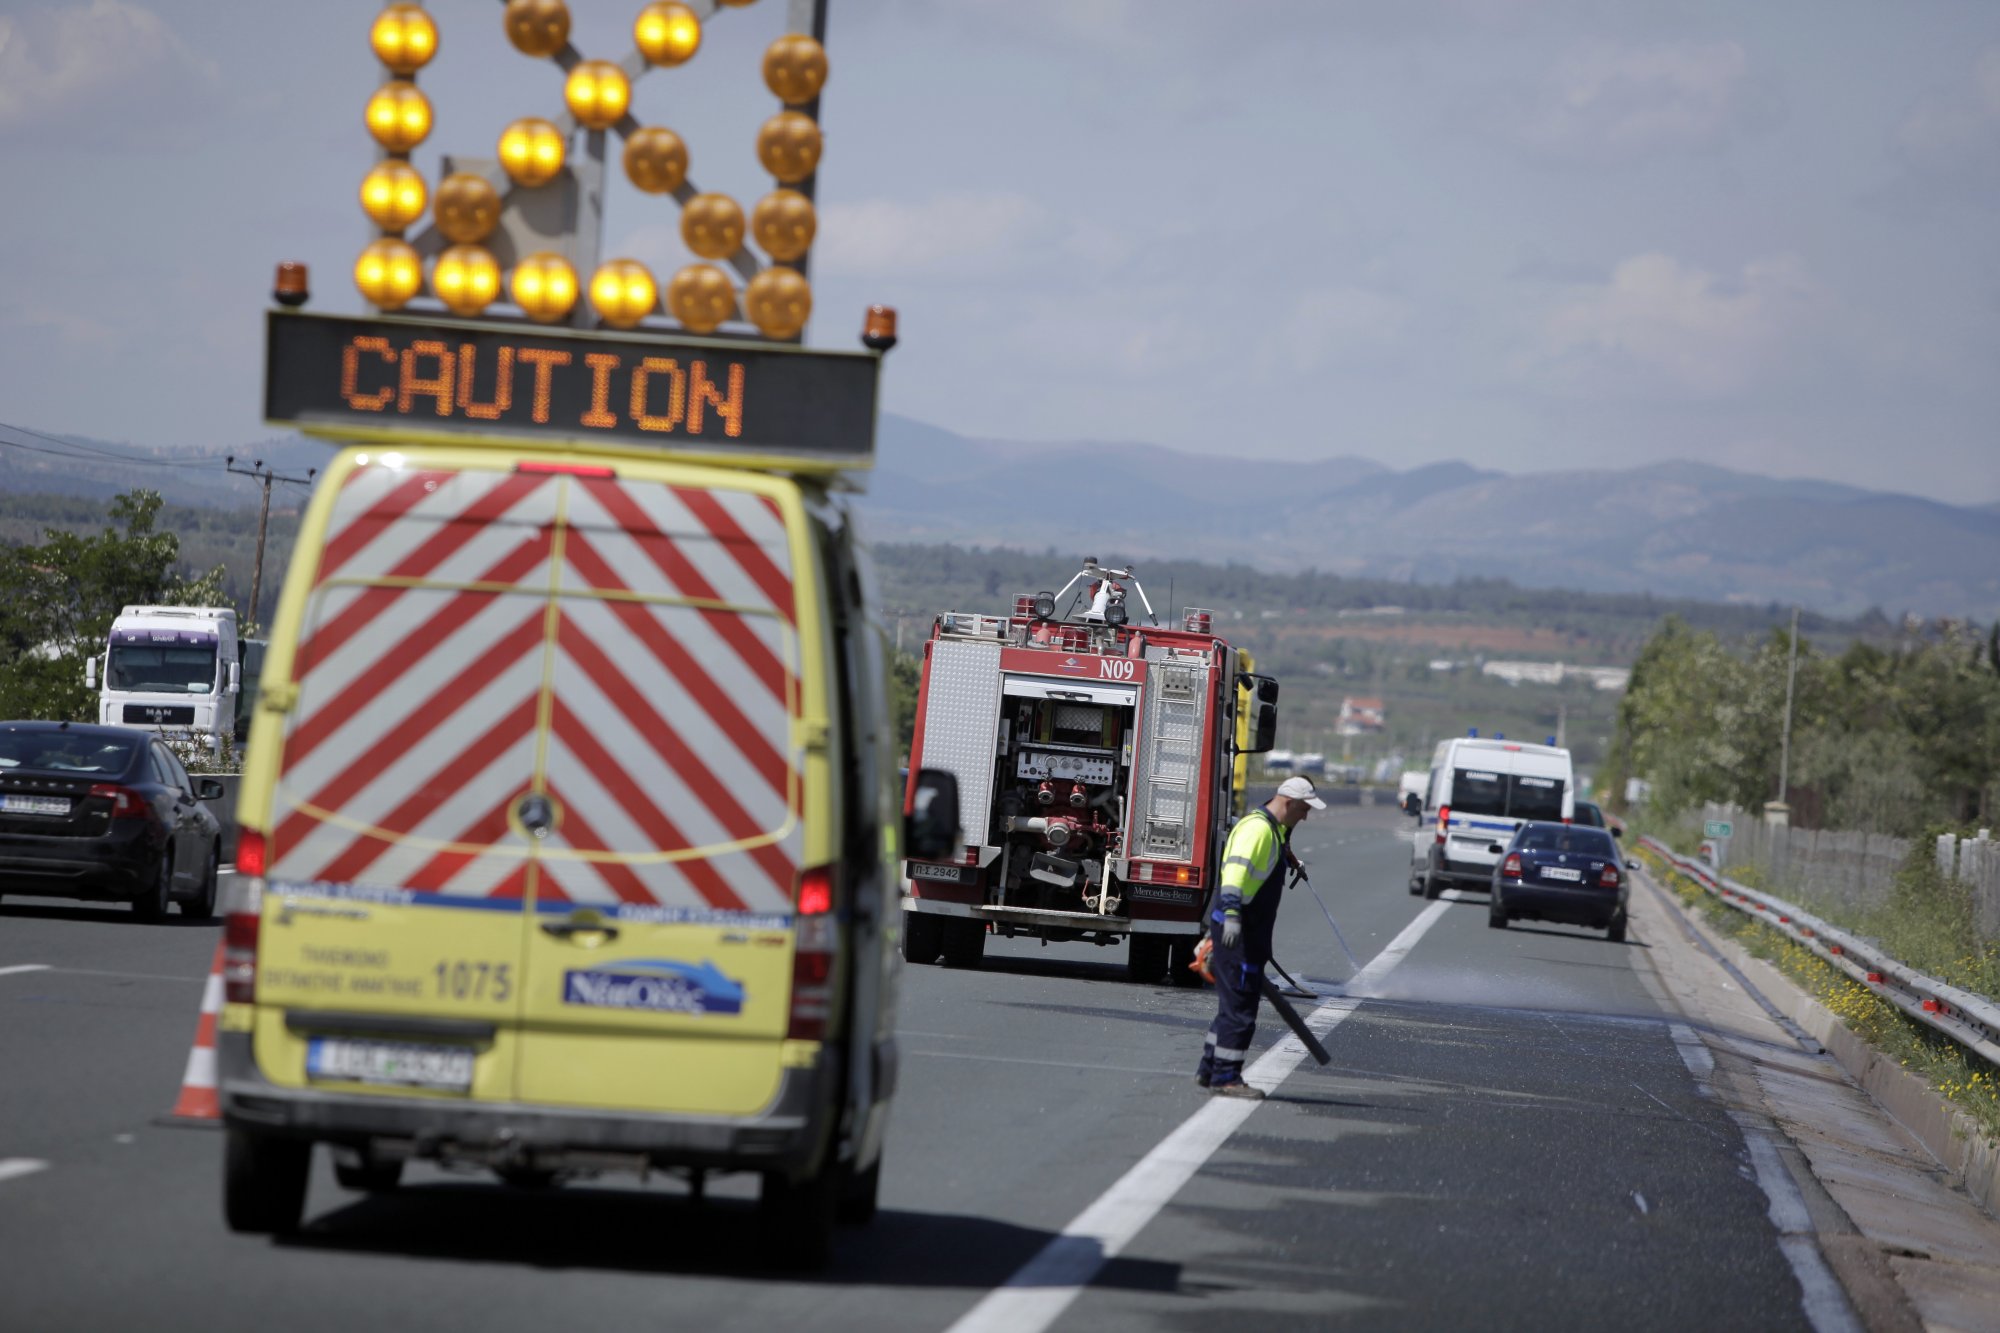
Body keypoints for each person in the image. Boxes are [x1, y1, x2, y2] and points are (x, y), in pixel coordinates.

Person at [1196, 774, 1327, 1098]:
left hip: (1249, 936)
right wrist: (1230, 916)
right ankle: (1225, 1078)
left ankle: (1209, 1068)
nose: (1306, 815)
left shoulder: (1273, 831)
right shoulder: (1258, 830)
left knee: (1233, 1005)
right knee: (1240, 1010)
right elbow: (1235, 875)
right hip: (1237, 934)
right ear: (1290, 802)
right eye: (1304, 809)